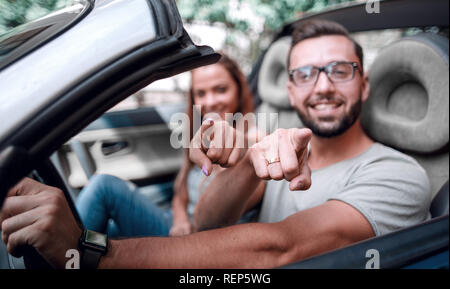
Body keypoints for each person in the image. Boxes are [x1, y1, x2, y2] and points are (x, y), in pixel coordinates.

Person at [0, 20, 431, 269]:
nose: (322, 86)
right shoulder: (279, 147)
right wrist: (243, 164)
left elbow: (278, 248)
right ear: (291, 89)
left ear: (365, 82)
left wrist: (95, 252)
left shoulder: (397, 173)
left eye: (340, 69)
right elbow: (208, 223)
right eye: (305, 74)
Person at [75, 52, 255, 238]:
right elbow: (180, 192)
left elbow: (257, 144)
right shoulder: (200, 135)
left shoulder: (254, 142)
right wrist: (180, 219)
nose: (210, 102)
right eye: (200, 93)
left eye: (221, 89)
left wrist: (241, 144)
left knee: (103, 187)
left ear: (239, 90)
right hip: (174, 223)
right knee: (104, 233)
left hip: (199, 243)